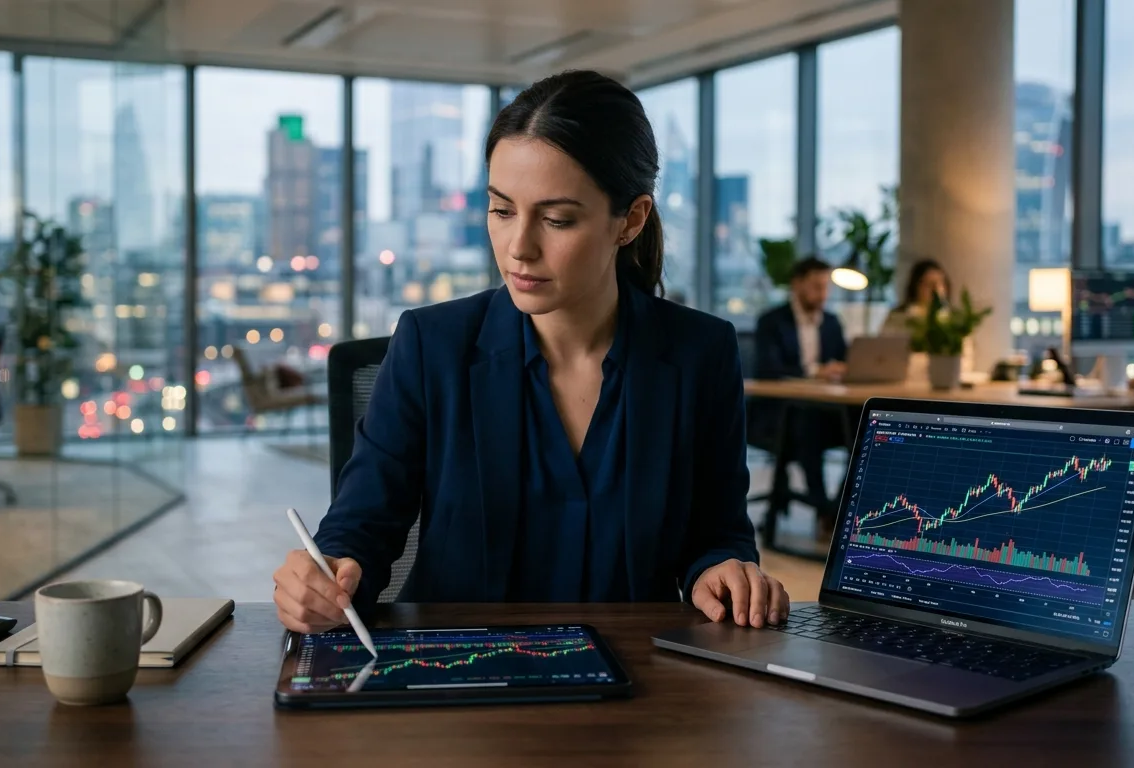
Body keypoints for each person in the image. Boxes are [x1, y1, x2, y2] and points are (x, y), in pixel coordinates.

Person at [274, 70, 788, 633]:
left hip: (639, 684)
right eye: (501, 210)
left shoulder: (700, 354)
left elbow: (719, 534)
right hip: (459, 674)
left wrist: (719, 571)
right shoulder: (431, 345)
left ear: (631, 220)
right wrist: (331, 574)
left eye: (557, 219)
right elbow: (360, 528)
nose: (519, 247)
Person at [750, 257, 849, 537]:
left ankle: (837, 507)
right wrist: (815, 372)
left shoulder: (831, 323)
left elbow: (842, 361)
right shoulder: (771, 322)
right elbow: (768, 369)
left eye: (825, 287)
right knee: (809, 427)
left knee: (861, 430)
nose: (823, 294)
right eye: (816, 286)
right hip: (778, 414)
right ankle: (824, 510)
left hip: (824, 409)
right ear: (797, 285)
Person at [880, 258, 974, 375]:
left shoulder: (954, 322)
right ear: (915, 286)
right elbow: (885, 357)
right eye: (929, 284)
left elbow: (964, 362)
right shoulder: (899, 318)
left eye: (940, 284)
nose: (935, 290)